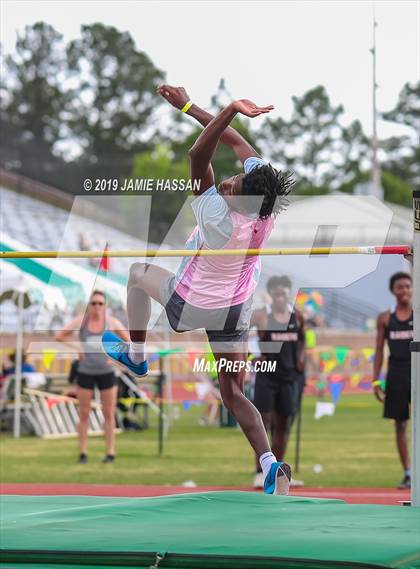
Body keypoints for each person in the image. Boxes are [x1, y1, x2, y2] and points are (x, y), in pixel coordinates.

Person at [102, 84, 294, 494]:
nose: (232, 180)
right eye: (239, 175)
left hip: (193, 306)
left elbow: (198, 155)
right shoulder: (265, 206)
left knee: (137, 273)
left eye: (236, 185)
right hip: (234, 312)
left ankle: (137, 356)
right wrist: (192, 107)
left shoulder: (217, 217)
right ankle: (269, 464)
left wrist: (228, 108)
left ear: (242, 201)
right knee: (232, 391)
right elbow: (237, 141)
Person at [56, 290, 129, 464]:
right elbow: (59, 336)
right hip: (85, 372)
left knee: (109, 413)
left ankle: (110, 453)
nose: (97, 307)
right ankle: (83, 453)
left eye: (100, 303)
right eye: (94, 303)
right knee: (84, 413)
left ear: (105, 306)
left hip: (106, 373)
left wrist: (116, 360)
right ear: (89, 305)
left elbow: (129, 343)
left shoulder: (111, 322)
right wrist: (78, 349)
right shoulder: (82, 321)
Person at [250, 276, 305, 488]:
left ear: (289, 294)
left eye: (284, 293)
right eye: (277, 294)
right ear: (271, 294)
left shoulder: (297, 317)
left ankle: (279, 471)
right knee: (263, 423)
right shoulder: (262, 315)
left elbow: (302, 340)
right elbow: (242, 333)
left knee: (283, 425)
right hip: (267, 376)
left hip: (289, 377)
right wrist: (254, 355)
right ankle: (260, 471)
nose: (280, 297)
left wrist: (300, 359)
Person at [374, 272, 413, 489]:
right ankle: (407, 472)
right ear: (393, 290)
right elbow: (379, 350)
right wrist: (375, 380)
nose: (404, 290)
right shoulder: (386, 318)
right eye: (400, 287)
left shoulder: (418, 314)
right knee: (400, 425)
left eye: (408, 286)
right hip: (396, 375)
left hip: (417, 373)